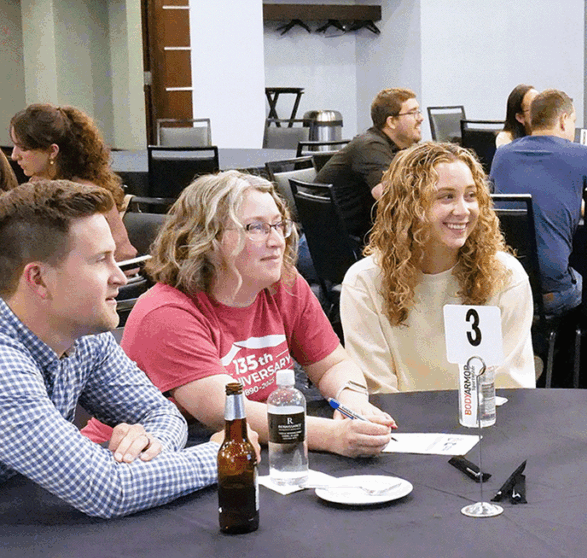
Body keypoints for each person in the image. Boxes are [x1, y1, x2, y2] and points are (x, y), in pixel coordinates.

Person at [84, 171, 393, 457]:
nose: (277, 241)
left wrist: (353, 403)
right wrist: (333, 436)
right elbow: (226, 411)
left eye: (278, 224)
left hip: (243, 446)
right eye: (256, 227)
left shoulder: (284, 284)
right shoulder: (166, 311)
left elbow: (332, 365)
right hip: (135, 457)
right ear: (208, 239)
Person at [0, 180, 229, 518]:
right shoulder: (4, 365)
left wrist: (151, 444)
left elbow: (161, 413)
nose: (119, 277)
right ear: (38, 279)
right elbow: (109, 489)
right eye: (99, 260)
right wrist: (224, 453)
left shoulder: (84, 335)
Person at [341, 142, 535, 393]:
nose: (463, 210)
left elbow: (511, 390)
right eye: (446, 196)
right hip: (401, 427)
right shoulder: (364, 283)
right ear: (409, 207)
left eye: (471, 195)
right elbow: (378, 395)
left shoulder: (505, 277)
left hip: (485, 427)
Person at [490, 89, 587, 315]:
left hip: (505, 289)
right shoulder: (581, 154)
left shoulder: (502, 155)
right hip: (553, 294)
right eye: (573, 121)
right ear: (563, 120)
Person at [9, 104, 137, 262]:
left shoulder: (85, 195)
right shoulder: (37, 186)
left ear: (52, 151)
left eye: (23, 148)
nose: (14, 156)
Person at [314, 88, 423, 243]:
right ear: (391, 121)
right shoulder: (370, 146)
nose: (421, 118)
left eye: (418, 111)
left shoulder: (394, 147)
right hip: (333, 243)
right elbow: (388, 195)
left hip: (353, 236)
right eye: (413, 113)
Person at [495, 84, 538, 148]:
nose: (541, 111)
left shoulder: (551, 132)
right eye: (534, 107)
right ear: (520, 117)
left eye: (541, 104)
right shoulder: (505, 139)